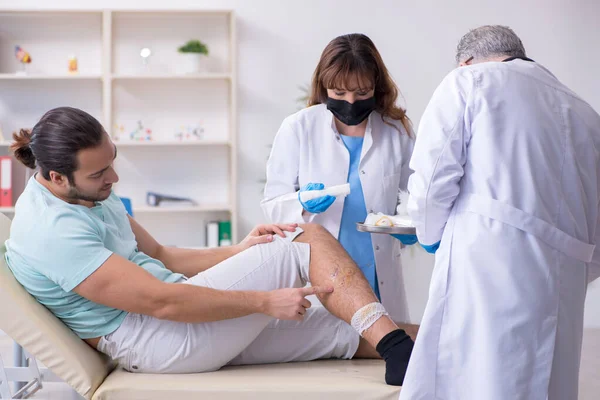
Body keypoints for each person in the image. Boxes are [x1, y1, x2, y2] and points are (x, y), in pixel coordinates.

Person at [6, 107, 415, 385]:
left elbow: (161, 256)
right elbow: (162, 302)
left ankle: (447, 349)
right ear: (57, 177)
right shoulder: (51, 231)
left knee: (352, 329)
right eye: (100, 172)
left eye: (112, 161)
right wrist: (263, 302)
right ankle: (399, 351)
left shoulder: (89, 191)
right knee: (302, 239)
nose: (114, 177)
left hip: (180, 315)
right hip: (156, 339)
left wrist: (240, 250)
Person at [401, 25, 600, 400]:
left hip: (487, 262)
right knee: (547, 385)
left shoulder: (468, 81)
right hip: (565, 279)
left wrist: (429, 235)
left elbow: (433, 177)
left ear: (466, 61)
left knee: (475, 379)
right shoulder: (587, 113)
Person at [261, 33, 417, 324]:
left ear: (376, 86)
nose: (350, 102)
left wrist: (407, 225)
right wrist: (303, 203)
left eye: (361, 93)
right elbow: (272, 204)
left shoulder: (396, 130)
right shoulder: (299, 128)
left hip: (378, 270)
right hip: (321, 271)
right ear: (324, 86)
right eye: (339, 93)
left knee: (384, 353)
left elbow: (416, 197)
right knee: (329, 356)